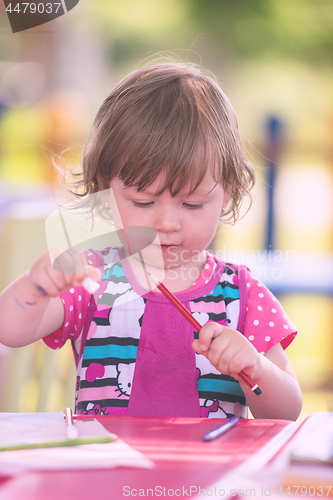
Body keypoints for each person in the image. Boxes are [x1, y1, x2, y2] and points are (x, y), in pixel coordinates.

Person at [0, 62, 302, 420]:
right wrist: (37, 287)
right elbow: (8, 329)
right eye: (143, 202)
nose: (167, 223)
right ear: (103, 191)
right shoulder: (92, 279)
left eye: (192, 203)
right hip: (109, 473)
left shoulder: (241, 294)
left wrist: (256, 367)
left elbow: (286, 413)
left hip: (208, 476)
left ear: (228, 194)